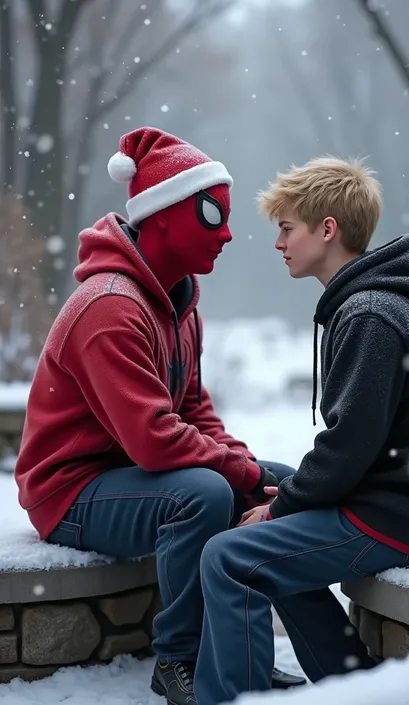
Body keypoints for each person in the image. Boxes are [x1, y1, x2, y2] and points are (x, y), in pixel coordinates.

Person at [14, 127, 305, 704]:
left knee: (284, 480)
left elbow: (194, 409)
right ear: (165, 215)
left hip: (132, 475)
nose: (226, 233)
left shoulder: (179, 299)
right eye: (210, 216)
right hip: (70, 489)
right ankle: (179, 661)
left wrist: (248, 466)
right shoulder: (110, 307)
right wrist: (235, 474)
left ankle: (244, 654)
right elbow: (153, 440)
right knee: (202, 493)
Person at [194, 156, 409, 704]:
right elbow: (355, 446)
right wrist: (288, 499)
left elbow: (349, 446)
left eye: (286, 227)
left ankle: (231, 698)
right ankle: (350, 685)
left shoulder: (369, 313)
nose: (278, 242)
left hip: (401, 514)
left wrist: (282, 508)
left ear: (328, 230)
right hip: (407, 502)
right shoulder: (373, 302)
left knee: (229, 557)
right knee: (260, 523)